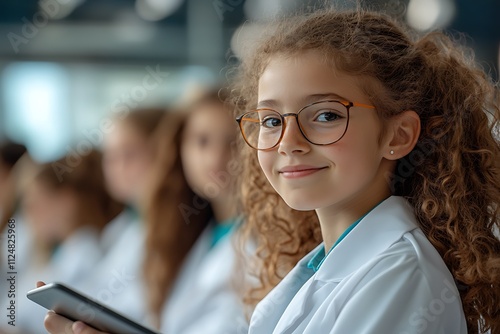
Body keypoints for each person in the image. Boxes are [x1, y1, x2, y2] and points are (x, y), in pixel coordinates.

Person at [229, 8, 499, 334]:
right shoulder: (334, 263)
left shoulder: (402, 278)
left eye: (326, 116)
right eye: (272, 121)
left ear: (397, 136)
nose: (288, 143)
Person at [42, 90, 247, 334]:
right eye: (202, 141)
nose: (216, 158)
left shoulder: (257, 242)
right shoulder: (194, 231)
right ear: (179, 149)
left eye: (234, 142)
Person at [1, 149, 122, 333]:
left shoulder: (84, 253)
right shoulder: (58, 252)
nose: (29, 216)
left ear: (66, 201)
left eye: (35, 204)